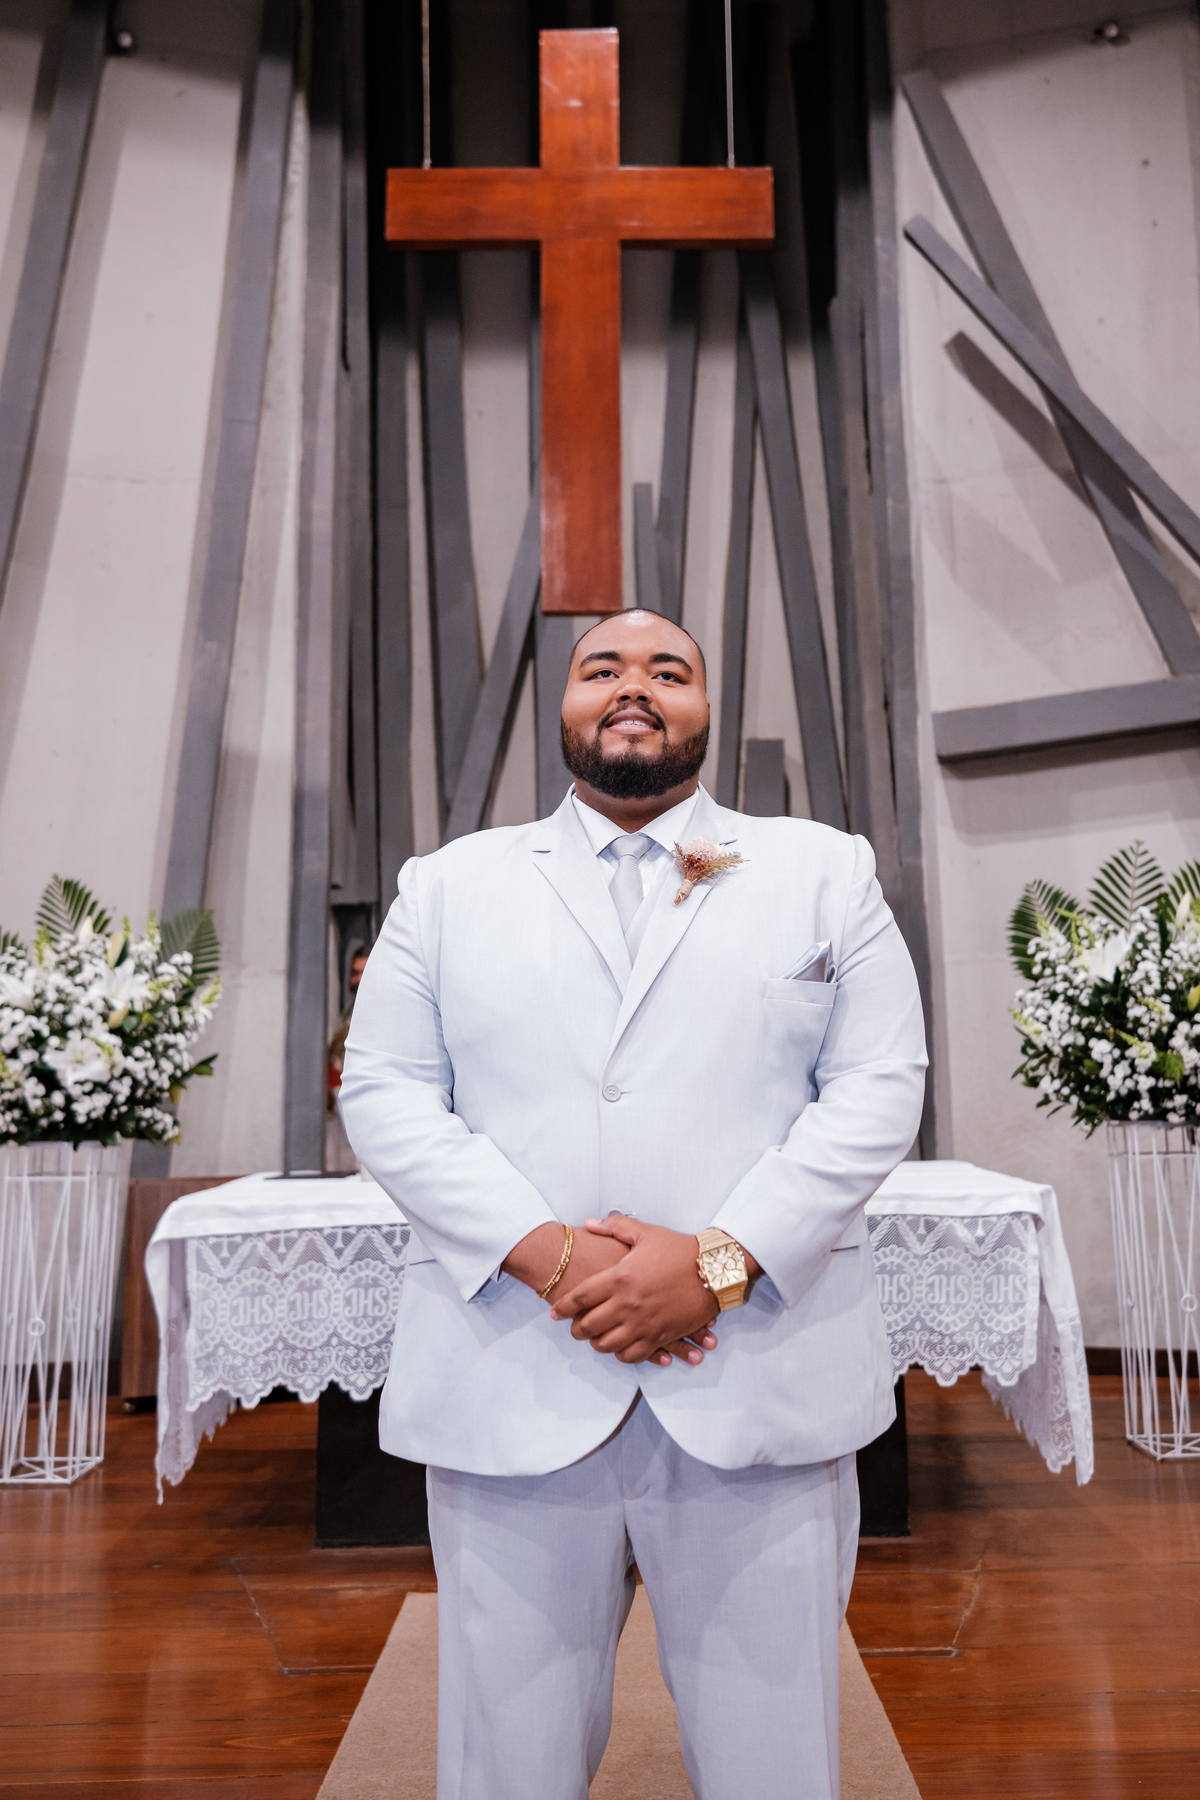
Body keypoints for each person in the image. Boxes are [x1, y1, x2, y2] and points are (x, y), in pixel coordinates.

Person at [339, 607, 926, 1800]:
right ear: (566, 705)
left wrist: (718, 1261)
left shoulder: (823, 868)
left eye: (671, 669)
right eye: (602, 666)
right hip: (519, 1366)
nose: (635, 687)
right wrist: (551, 1256)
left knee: (778, 1757)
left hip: (755, 1369)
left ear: (708, 708)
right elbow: (387, 1091)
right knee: (508, 1759)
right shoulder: (448, 887)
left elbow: (878, 1089)